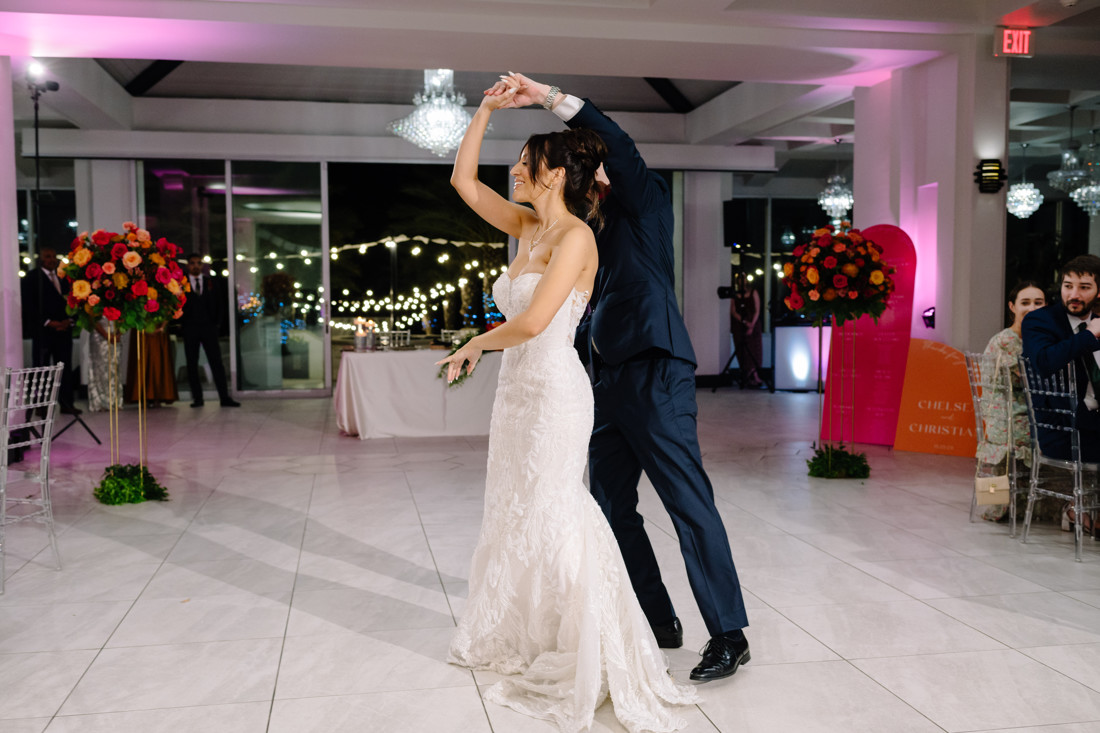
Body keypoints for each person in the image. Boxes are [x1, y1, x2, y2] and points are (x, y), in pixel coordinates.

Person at [438, 77, 697, 732]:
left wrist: (475, 341)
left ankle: (588, 632)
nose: (517, 170)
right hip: (516, 394)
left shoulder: (579, 237)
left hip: (554, 389)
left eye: (526, 161)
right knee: (513, 504)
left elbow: (535, 322)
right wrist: (485, 112)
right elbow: (464, 186)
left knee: (555, 504)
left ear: (554, 172)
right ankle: (527, 627)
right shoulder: (527, 226)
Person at [494, 72, 750, 682]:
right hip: (604, 381)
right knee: (609, 504)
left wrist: (549, 99)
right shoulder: (583, 228)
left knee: (687, 502)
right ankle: (657, 618)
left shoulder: (644, 199)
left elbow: (619, 144)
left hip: (657, 370)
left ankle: (729, 634)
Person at [975, 281, 1045, 521]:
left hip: (1024, 412)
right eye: (1025, 303)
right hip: (1006, 415)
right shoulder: (1006, 341)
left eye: (1039, 303)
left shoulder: (1039, 337)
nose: (1032, 308)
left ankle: (1037, 506)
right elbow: (1035, 378)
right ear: (1012, 307)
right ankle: (997, 507)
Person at [1021, 255, 1100, 466]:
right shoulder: (1040, 320)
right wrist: (1089, 336)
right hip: (1063, 428)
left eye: (1084, 287)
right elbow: (1044, 362)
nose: (1074, 294)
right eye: (1068, 286)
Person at [20, 246, 80, 414]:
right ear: (40, 259)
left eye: (54, 256)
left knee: (64, 368)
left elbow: (74, 302)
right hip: (44, 333)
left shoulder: (64, 279)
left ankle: (67, 403)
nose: (52, 260)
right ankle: (41, 406)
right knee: (42, 369)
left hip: (64, 331)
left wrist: (68, 321)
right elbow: (28, 306)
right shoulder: (32, 279)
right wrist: (48, 322)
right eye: (48, 256)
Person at [181, 254, 239, 408]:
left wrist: (217, 325)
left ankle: (224, 398)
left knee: (216, 363)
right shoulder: (181, 283)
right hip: (190, 328)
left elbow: (220, 304)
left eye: (199, 263)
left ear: (202, 266)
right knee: (192, 364)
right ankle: (198, 399)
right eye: (192, 263)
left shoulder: (211, 282)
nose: (196, 266)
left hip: (209, 328)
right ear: (188, 265)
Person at [124, 323, 178, 406]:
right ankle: (142, 395)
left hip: (159, 329)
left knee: (158, 360)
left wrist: (162, 327)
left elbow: (169, 312)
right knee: (142, 360)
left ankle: (158, 395)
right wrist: (143, 329)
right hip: (141, 328)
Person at [730, 272, 764, 388]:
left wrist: (752, 324)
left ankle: (754, 375)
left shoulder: (753, 292)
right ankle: (747, 375)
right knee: (742, 351)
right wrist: (744, 322)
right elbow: (733, 311)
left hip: (753, 325)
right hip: (740, 326)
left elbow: (757, 310)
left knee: (754, 349)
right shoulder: (734, 295)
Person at [84, 319, 122, 413]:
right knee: (100, 368)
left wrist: (119, 334)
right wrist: (107, 335)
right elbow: (92, 319)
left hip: (115, 334)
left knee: (114, 368)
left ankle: (114, 401)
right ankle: (100, 402)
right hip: (99, 336)